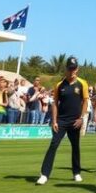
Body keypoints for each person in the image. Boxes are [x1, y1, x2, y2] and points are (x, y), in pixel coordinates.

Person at [36, 56, 89, 185]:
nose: (72, 71)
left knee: (75, 146)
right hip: (61, 120)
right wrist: (54, 121)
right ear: (66, 69)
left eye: (74, 69)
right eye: (70, 69)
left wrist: (81, 118)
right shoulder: (60, 85)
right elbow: (54, 103)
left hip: (75, 121)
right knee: (53, 145)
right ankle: (44, 174)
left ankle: (76, 172)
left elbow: (86, 101)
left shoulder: (82, 83)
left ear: (77, 69)